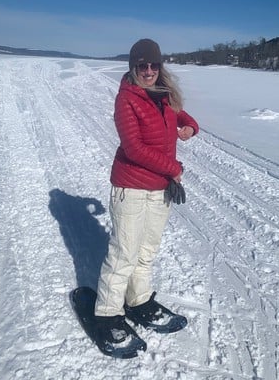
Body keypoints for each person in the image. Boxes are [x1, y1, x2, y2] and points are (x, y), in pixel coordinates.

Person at [94, 38, 199, 353]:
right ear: (133, 67)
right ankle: (107, 315)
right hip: (132, 187)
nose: (149, 70)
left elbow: (183, 117)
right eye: (143, 65)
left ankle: (138, 301)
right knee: (124, 253)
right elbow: (133, 148)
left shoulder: (163, 96)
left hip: (159, 189)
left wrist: (191, 127)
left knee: (147, 251)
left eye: (155, 65)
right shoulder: (126, 99)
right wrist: (173, 167)